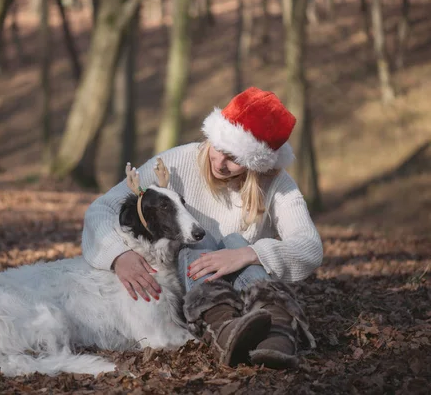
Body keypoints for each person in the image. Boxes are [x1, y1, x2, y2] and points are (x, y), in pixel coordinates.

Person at [81, 87, 323, 369]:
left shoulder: (277, 185)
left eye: (235, 158)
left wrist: (248, 254)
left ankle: (276, 330)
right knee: (194, 248)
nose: (220, 162)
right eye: (219, 148)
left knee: (234, 242)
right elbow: (102, 209)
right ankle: (225, 328)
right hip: (195, 289)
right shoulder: (176, 162)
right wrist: (117, 255)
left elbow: (309, 246)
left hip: (249, 292)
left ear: (258, 162)